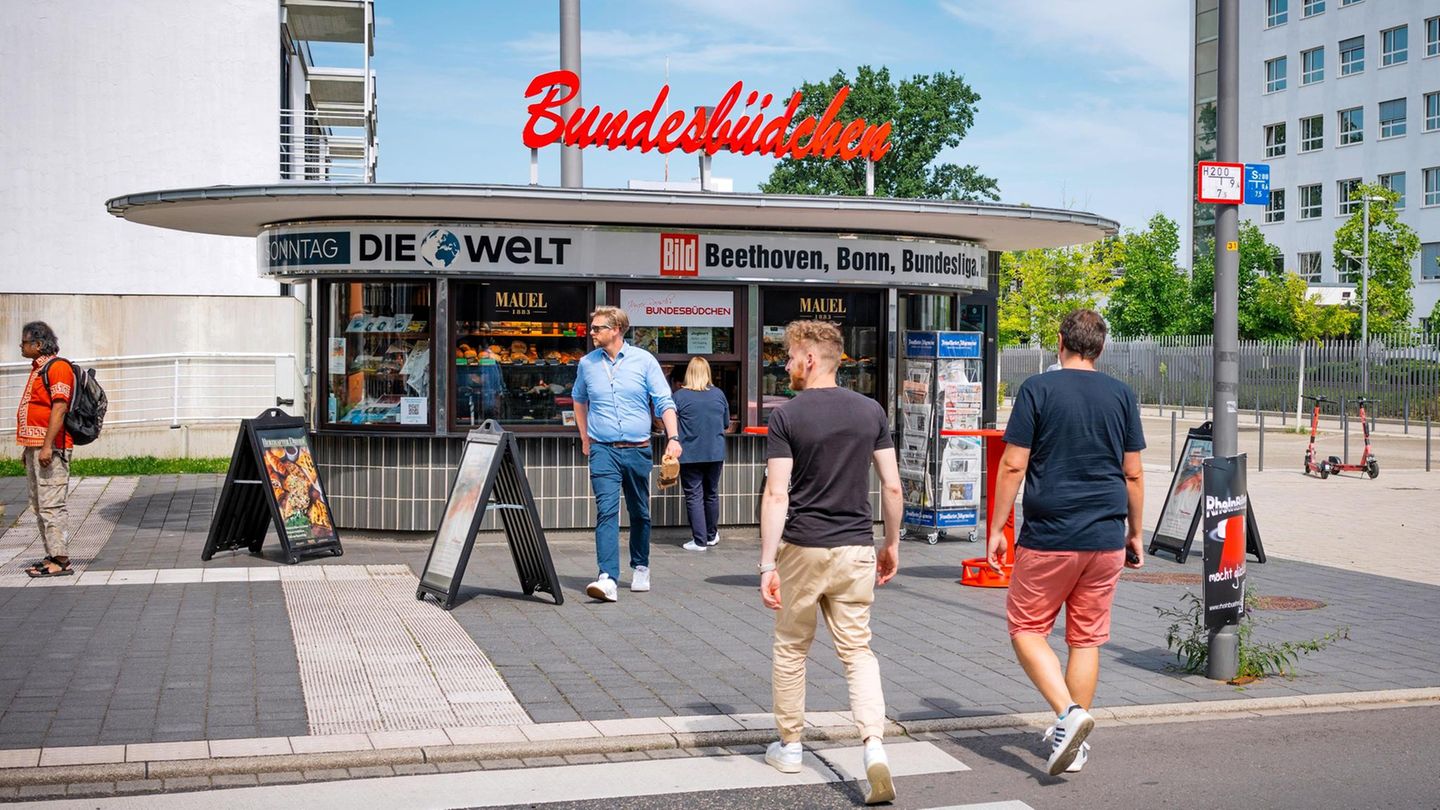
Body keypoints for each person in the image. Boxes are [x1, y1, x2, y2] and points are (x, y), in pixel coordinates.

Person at [986, 308, 1145, 777]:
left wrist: (997, 527)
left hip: (1051, 533)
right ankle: (1074, 745)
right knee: (1087, 638)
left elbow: (1014, 464)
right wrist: (1135, 531)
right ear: (1100, 347)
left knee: (1027, 628)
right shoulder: (1122, 394)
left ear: (1060, 342)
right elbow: (1132, 471)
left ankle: (1068, 716)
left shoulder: (1038, 389)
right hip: (1106, 534)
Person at [758, 320, 903, 806]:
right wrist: (892, 543)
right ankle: (874, 748)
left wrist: (766, 564)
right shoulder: (870, 411)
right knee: (858, 652)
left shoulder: (788, 417)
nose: (786, 365)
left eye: (791, 357)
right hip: (856, 547)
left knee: (791, 648)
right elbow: (892, 485)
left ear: (811, 360)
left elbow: (778, 493)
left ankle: (791, 746)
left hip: (803, 547)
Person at [572, 305, 681, 602]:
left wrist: (673, 438)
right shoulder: (587, 364)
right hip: (602, 449)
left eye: (597, 328)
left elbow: (664, 401)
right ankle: (607, 576)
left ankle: (641, 565)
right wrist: (584, 437)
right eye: (592, 328)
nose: (592, 333)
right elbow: (579, 400)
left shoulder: (644, 361)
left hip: (637, 449)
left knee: (639, 511)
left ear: (616, 329)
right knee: (606, 511)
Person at [16, 321, 76, 578]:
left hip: (51, 449)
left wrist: (47, 446)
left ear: (38, 344)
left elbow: (59, 408)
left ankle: (61, 560)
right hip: (37, 448)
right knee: (38, 505)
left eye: (24, 343)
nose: (21, 347)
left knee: (51, 504)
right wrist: (29, 449)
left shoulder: (58, 368)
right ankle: (52, 554)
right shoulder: (38, 369)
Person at [673, 357, 728, 552]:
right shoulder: (719, 394)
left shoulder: (679, 396)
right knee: (711, 493)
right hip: (715, 452)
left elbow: (667, 422)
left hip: (690, 453)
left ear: (689, 373)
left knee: (694, 495)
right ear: (707, 373)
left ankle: (699, 540)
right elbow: (726, 423)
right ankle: (711, 536)